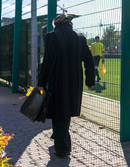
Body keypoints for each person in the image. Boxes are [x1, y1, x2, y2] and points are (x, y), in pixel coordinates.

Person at [37, 14, 95, 158]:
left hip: (58, 79)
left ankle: (63, 148)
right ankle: (58, 136)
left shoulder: (52, 37)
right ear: (70, 24)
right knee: (66, 110)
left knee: (58, 111)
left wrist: (41, 83)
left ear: (57, 24)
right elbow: (89, 61)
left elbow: (48, 62)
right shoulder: (80, 38)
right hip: (75, 81)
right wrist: (90, 81)